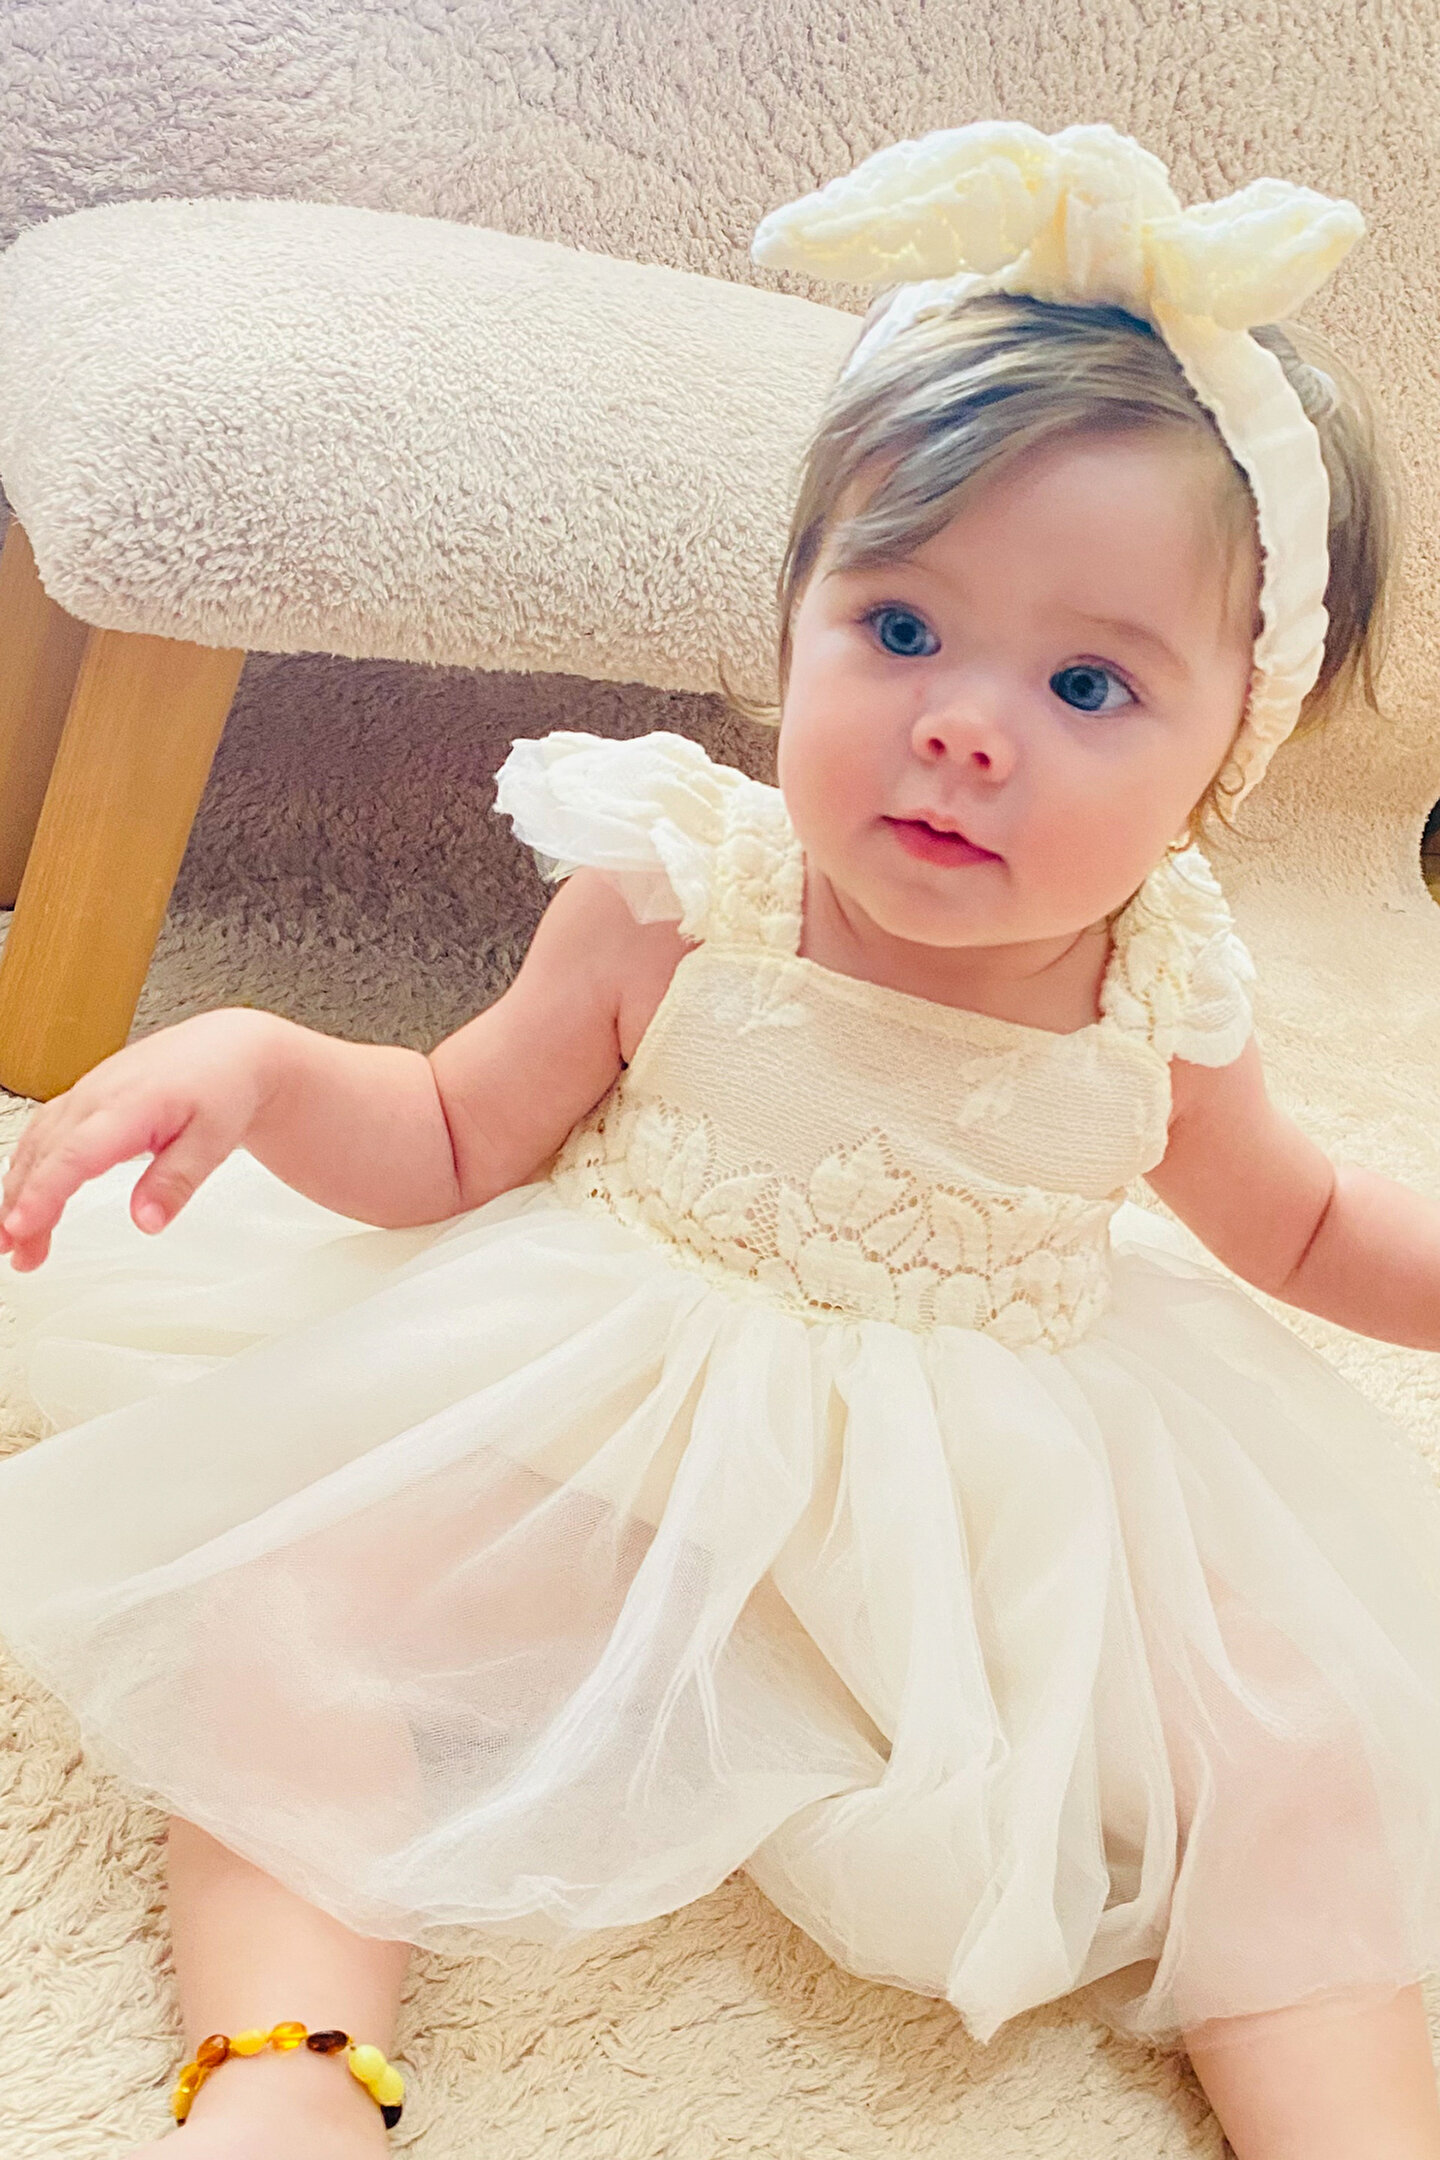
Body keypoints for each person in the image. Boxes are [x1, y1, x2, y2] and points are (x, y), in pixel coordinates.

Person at [0, 119, 1438, 2160]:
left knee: (1296, 1741)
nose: (963, 724)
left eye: (1090, 681)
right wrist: (260, 1061)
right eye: (901, 627)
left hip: (995, 1529)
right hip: (624, 1443)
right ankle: (286, 2074)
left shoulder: (1162, 997)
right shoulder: (686, 896)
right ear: (793, 622)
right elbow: (450, 1128)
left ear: (1233, 753)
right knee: (289, 1606)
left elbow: (1302, 1229)